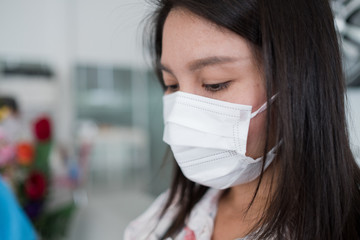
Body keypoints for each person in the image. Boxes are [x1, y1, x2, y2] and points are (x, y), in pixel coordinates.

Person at [124, 0, 360, 239]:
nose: (181, 114)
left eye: (214, 83)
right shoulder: (161, 219)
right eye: (171, 85)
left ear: (297, 81)